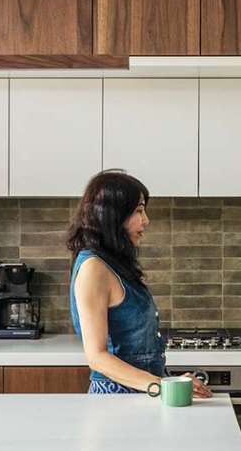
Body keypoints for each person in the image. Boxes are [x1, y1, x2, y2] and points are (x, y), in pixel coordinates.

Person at [66, 170, 210, 398]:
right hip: (116, 397)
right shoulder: (93, 269)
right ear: (112, 215)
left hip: (140, 392)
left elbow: (136, 353)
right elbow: (97, 357)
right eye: (138, 211)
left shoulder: (112, 264)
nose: (146, 220)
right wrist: (163, 386)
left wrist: (171, 380)